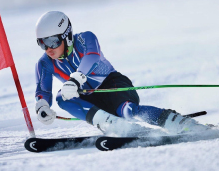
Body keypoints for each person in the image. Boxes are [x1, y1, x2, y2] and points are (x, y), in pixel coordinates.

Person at [34, 11, 204, 135]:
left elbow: (92, 56)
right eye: (42, 43)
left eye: (52, 41)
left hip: (113, 85)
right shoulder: (44, 63)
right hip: (91, 100)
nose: (48, 48)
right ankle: (113, 125)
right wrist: (42, 106)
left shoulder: (84, 39)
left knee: (128, 111)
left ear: (66, 36)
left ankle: (181, 123)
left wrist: (76, 79)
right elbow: (43, 92)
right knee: (61, 97)